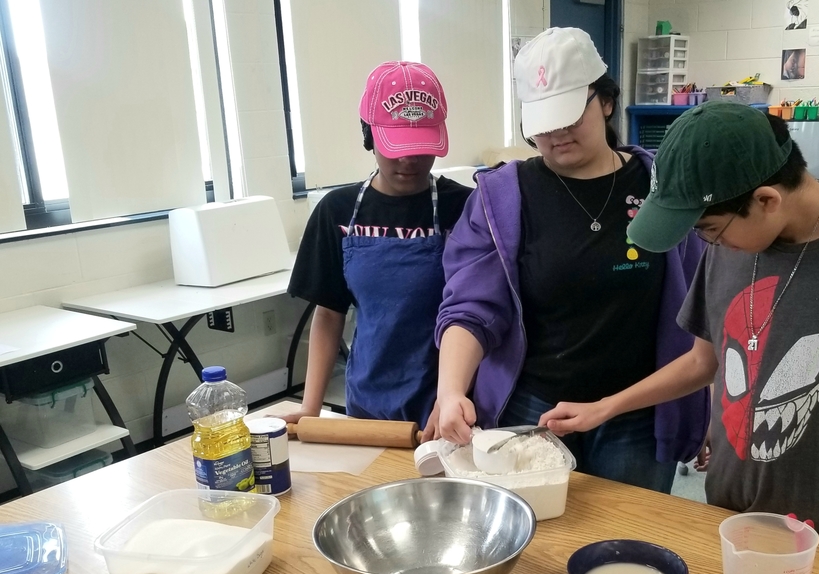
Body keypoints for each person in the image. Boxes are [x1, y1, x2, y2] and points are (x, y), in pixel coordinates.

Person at [539, 102, 819, 554]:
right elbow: (704, 360)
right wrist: (605, 407)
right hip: (732, 507)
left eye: (711, 230)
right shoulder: (729, 249)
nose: (708, 243)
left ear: (766, 200)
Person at [434, 27, 710, 493]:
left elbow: (706, 311)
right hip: (532, 408)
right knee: (532, 541)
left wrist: (704, 409)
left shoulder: (661, 187)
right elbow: (470, 306)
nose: (556, 133)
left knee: (626, 543)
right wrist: (450, 391)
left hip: (635, 414)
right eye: (543, 122)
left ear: (604, 100)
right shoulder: (503, 197)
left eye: (569, 115)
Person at [285, 61, 472, 436]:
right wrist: (311, 407)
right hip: (370, 406)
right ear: (369, 137)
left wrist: (453, 395)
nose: (409, 160)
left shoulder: (466, 208)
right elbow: (328, 313)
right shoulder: (336, 213)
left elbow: (481, 314)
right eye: (396, 147)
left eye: (420, 148)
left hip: (451, 407)